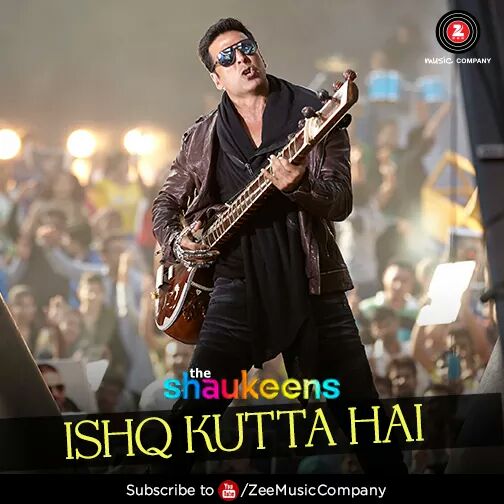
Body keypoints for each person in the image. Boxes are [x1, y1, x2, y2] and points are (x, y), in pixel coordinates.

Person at [152, 18, 406, 474]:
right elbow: (165, 205)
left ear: (260, 52)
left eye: (246, 47)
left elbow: (340, 200)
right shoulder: (203, 136)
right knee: (192, 416)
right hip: (234, 289)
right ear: (217, 78)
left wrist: (299, 186)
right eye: (227, 57)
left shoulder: (315, 114)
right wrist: (178, 239)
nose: (241, 59)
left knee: (362, 418)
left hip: (313, 283)